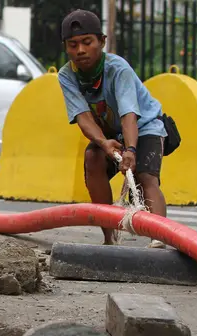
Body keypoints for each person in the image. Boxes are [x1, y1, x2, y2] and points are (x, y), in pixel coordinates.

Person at [57, 9, 168, 249]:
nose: (81, 51)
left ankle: (160, 239)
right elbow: (83, 117)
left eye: (87, 42)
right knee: (92, 157)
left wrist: (130, 149)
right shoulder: (67, 75)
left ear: (102, 42)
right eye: (73, 45)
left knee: (145, 177)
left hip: (144, 126)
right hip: (110, 134)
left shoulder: (118, 69)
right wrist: (103, 143)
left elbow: (129, 114)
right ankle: (109, 239)